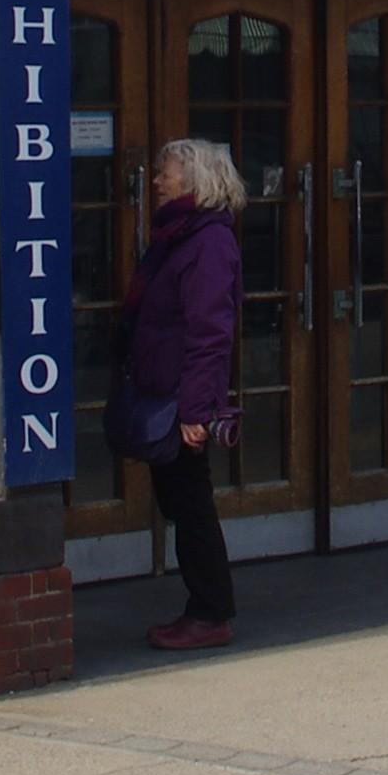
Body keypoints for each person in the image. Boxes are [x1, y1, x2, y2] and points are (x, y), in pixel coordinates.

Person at [119, 136, 245, 649]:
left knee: (191, 503)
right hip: (163, 389)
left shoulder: (207, 242)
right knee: (181, 499)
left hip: (180, 397)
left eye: (164, 172)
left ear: (194, 181)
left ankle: (210, 611)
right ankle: (205, 606)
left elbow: (209, 331)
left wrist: (196, 410)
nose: (155, 180)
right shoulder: (178, 236)